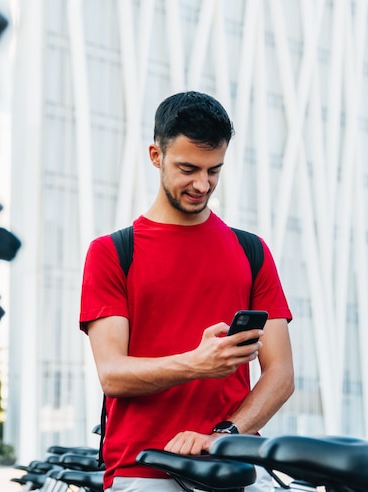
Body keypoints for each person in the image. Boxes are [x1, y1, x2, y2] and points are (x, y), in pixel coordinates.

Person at [79, 91, 294, 491]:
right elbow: (112, 374)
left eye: (214, 170)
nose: (202, 184)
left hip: (234, 467)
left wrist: (225, 433)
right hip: (143, 471)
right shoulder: (111, 253)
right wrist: (198, 363)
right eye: (188, 168)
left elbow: (280, 374)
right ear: (155, 155)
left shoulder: (253, 251)